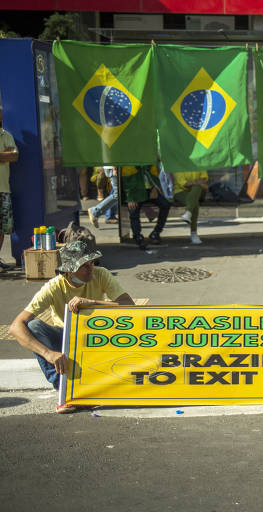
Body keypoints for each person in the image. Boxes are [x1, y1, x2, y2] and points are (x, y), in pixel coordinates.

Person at [8, 241, 135, 412]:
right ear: (69, 270)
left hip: (96, 336)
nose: (90, 269)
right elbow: (15, 327)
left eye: (91, 263)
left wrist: (93, 303)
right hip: (66, 339)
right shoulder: (54, 287)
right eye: (84, 266)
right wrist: (49, 354)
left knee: (126, 324)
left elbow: (130, 306)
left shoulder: (101, 274)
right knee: (33, 325)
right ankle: (65, 389)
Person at [121, 164, 171, 250]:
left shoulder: (149, 161)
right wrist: (130, 198)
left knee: (165, 204)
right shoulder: (129, 164)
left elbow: (155, 177)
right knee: (133, 209)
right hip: (136, 193)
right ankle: (137, 236)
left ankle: (156, 232)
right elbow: (126, 182)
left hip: (149, 191)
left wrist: (155, 189)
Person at [0, 107, 18, 270]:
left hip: (3, 188)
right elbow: (8, 155)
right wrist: (3, 155)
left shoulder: (6, 135)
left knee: (2, 227)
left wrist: (7, 155)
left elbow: (14, 155)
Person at [173, 170, 208, 245]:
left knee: (196, 189)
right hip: (181, 192)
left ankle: (188, 213)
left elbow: (203, 178)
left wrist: (195, 183)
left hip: (198, 190)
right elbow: (184, 183)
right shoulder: (178, 164)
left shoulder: (198, 162)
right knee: (194, 202)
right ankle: (193, 233)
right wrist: (196, 183)